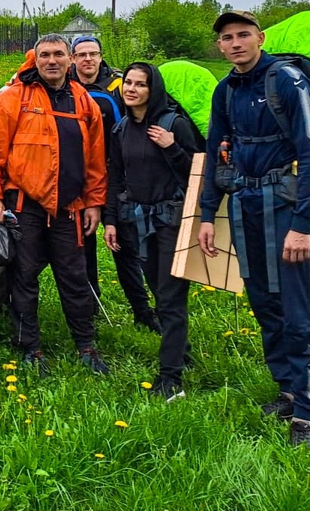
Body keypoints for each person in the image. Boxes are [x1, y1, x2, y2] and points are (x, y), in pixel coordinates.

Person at [198, 11, 310, 449]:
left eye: (242, 35)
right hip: (244, 206)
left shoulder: (288, 81)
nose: (235, 43)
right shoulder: (225, 90)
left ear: (260, 38)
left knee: (296, 309)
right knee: (264, 303)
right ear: (219, 46)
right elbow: (217, 155)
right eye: (227, 38)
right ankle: (288, 390)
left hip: (285, 208)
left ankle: (306, 416)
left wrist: (303, 225)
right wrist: (205, 216)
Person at [0, 34, 110, 376]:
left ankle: (86, 345)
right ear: (35, 60)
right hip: (24, 206)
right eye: (45, 55)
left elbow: (96, 159)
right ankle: (29, 348)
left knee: (75, 278)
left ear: (70, 60)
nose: (52, 61)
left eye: (58, 55)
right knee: (23, 278)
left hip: (70, 208)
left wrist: (94, 203)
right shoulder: (12, 99)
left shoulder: (83, 101)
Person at [104, 63, 200, 400]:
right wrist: (111, 221)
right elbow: (115, 177)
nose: (131, 89)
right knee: (159, 292)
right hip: (138, 223)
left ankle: (170, 378)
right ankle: (182, 351)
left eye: (140, 85)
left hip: (172, 222)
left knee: (172, 299)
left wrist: (172, 147)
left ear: (152, 89)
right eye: (128, 83)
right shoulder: (120, 130)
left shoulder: (174, 124)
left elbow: (198, 173)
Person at [71, 35, 158, 333]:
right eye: (81, 54)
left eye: (93, 54)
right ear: (73, 59)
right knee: (84, 247)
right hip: (78, 179)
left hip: (117, 177)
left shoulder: (118, 86)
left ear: (100, 56)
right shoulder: (63, 86)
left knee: (125, 247)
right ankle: (90, 306)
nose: (87, 60)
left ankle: (142, 310)